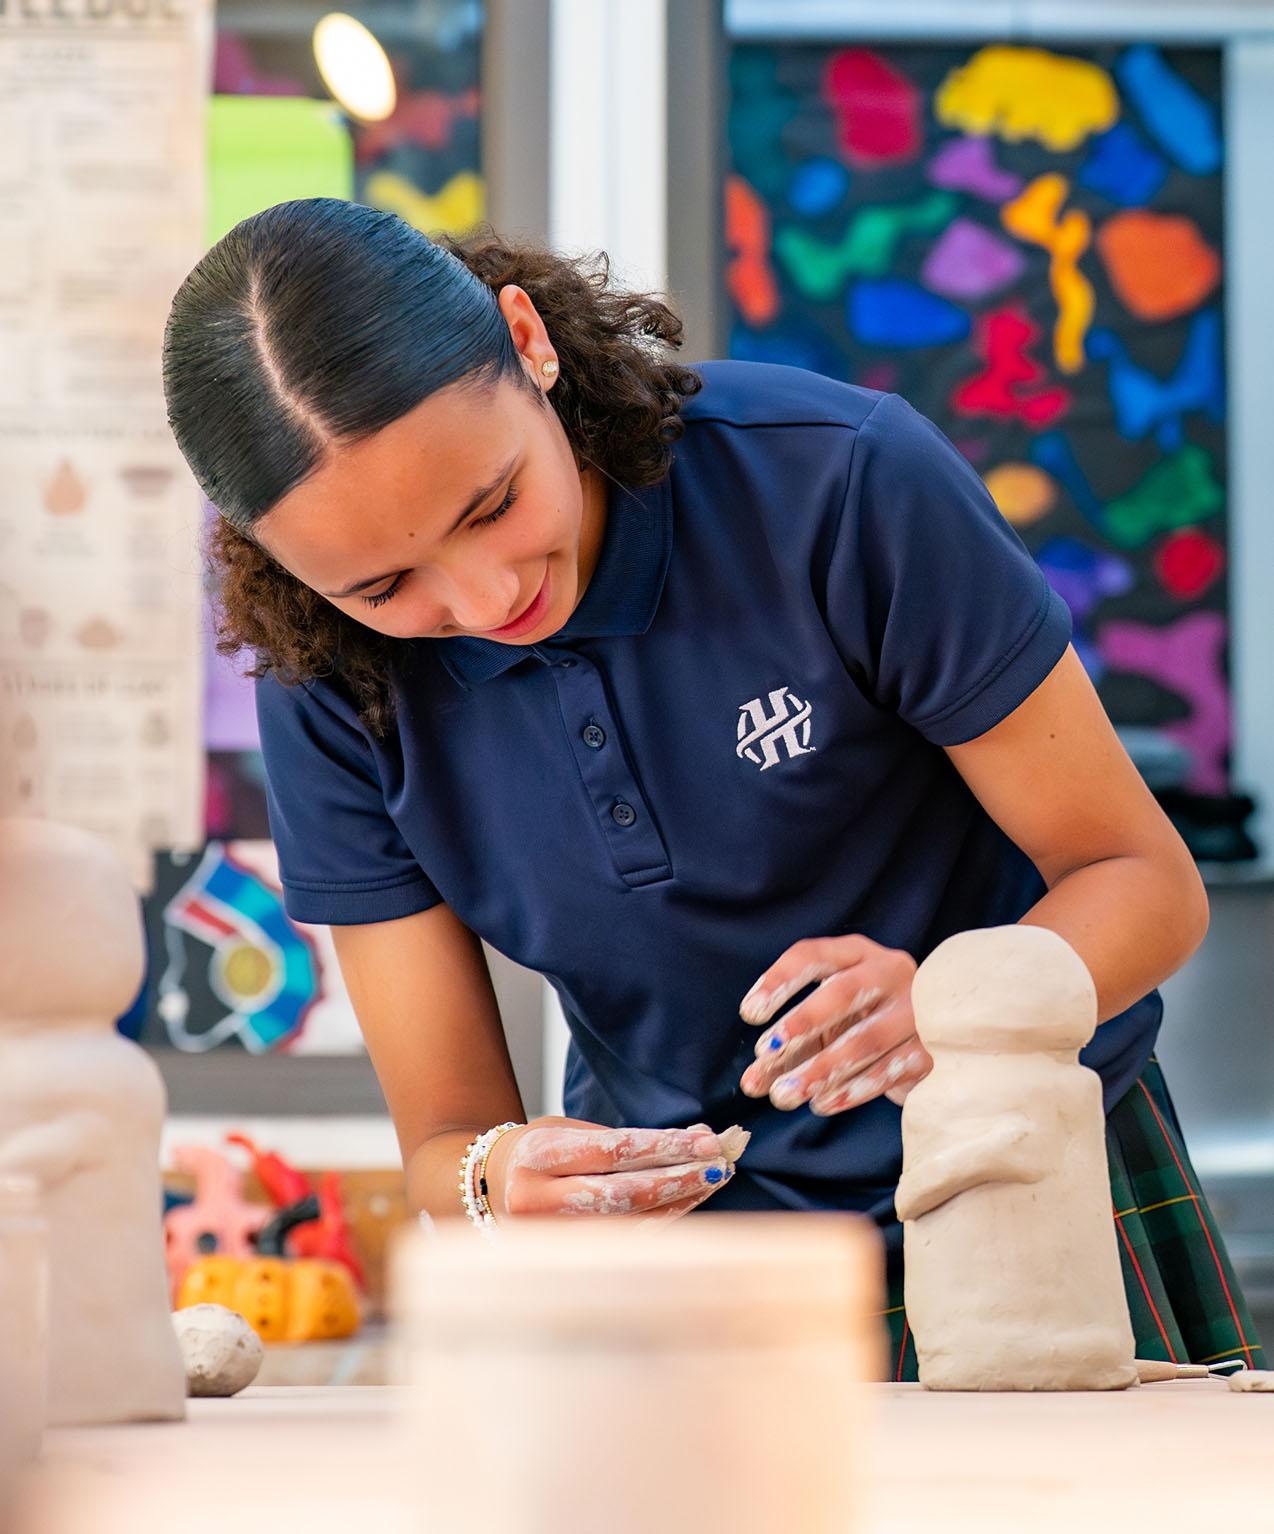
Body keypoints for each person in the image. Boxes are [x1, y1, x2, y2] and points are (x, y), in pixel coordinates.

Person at [163, 197, 1265, 1375]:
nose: (483, 602)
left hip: (1029, 1187)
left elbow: (1143, 883)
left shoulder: (838, 486)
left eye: (491, 505)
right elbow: (448, 1136)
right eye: (384, 585)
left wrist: (963, 1002)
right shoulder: (328, 680)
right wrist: (496, 1183)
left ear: (526, 340)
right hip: (693, 1270)